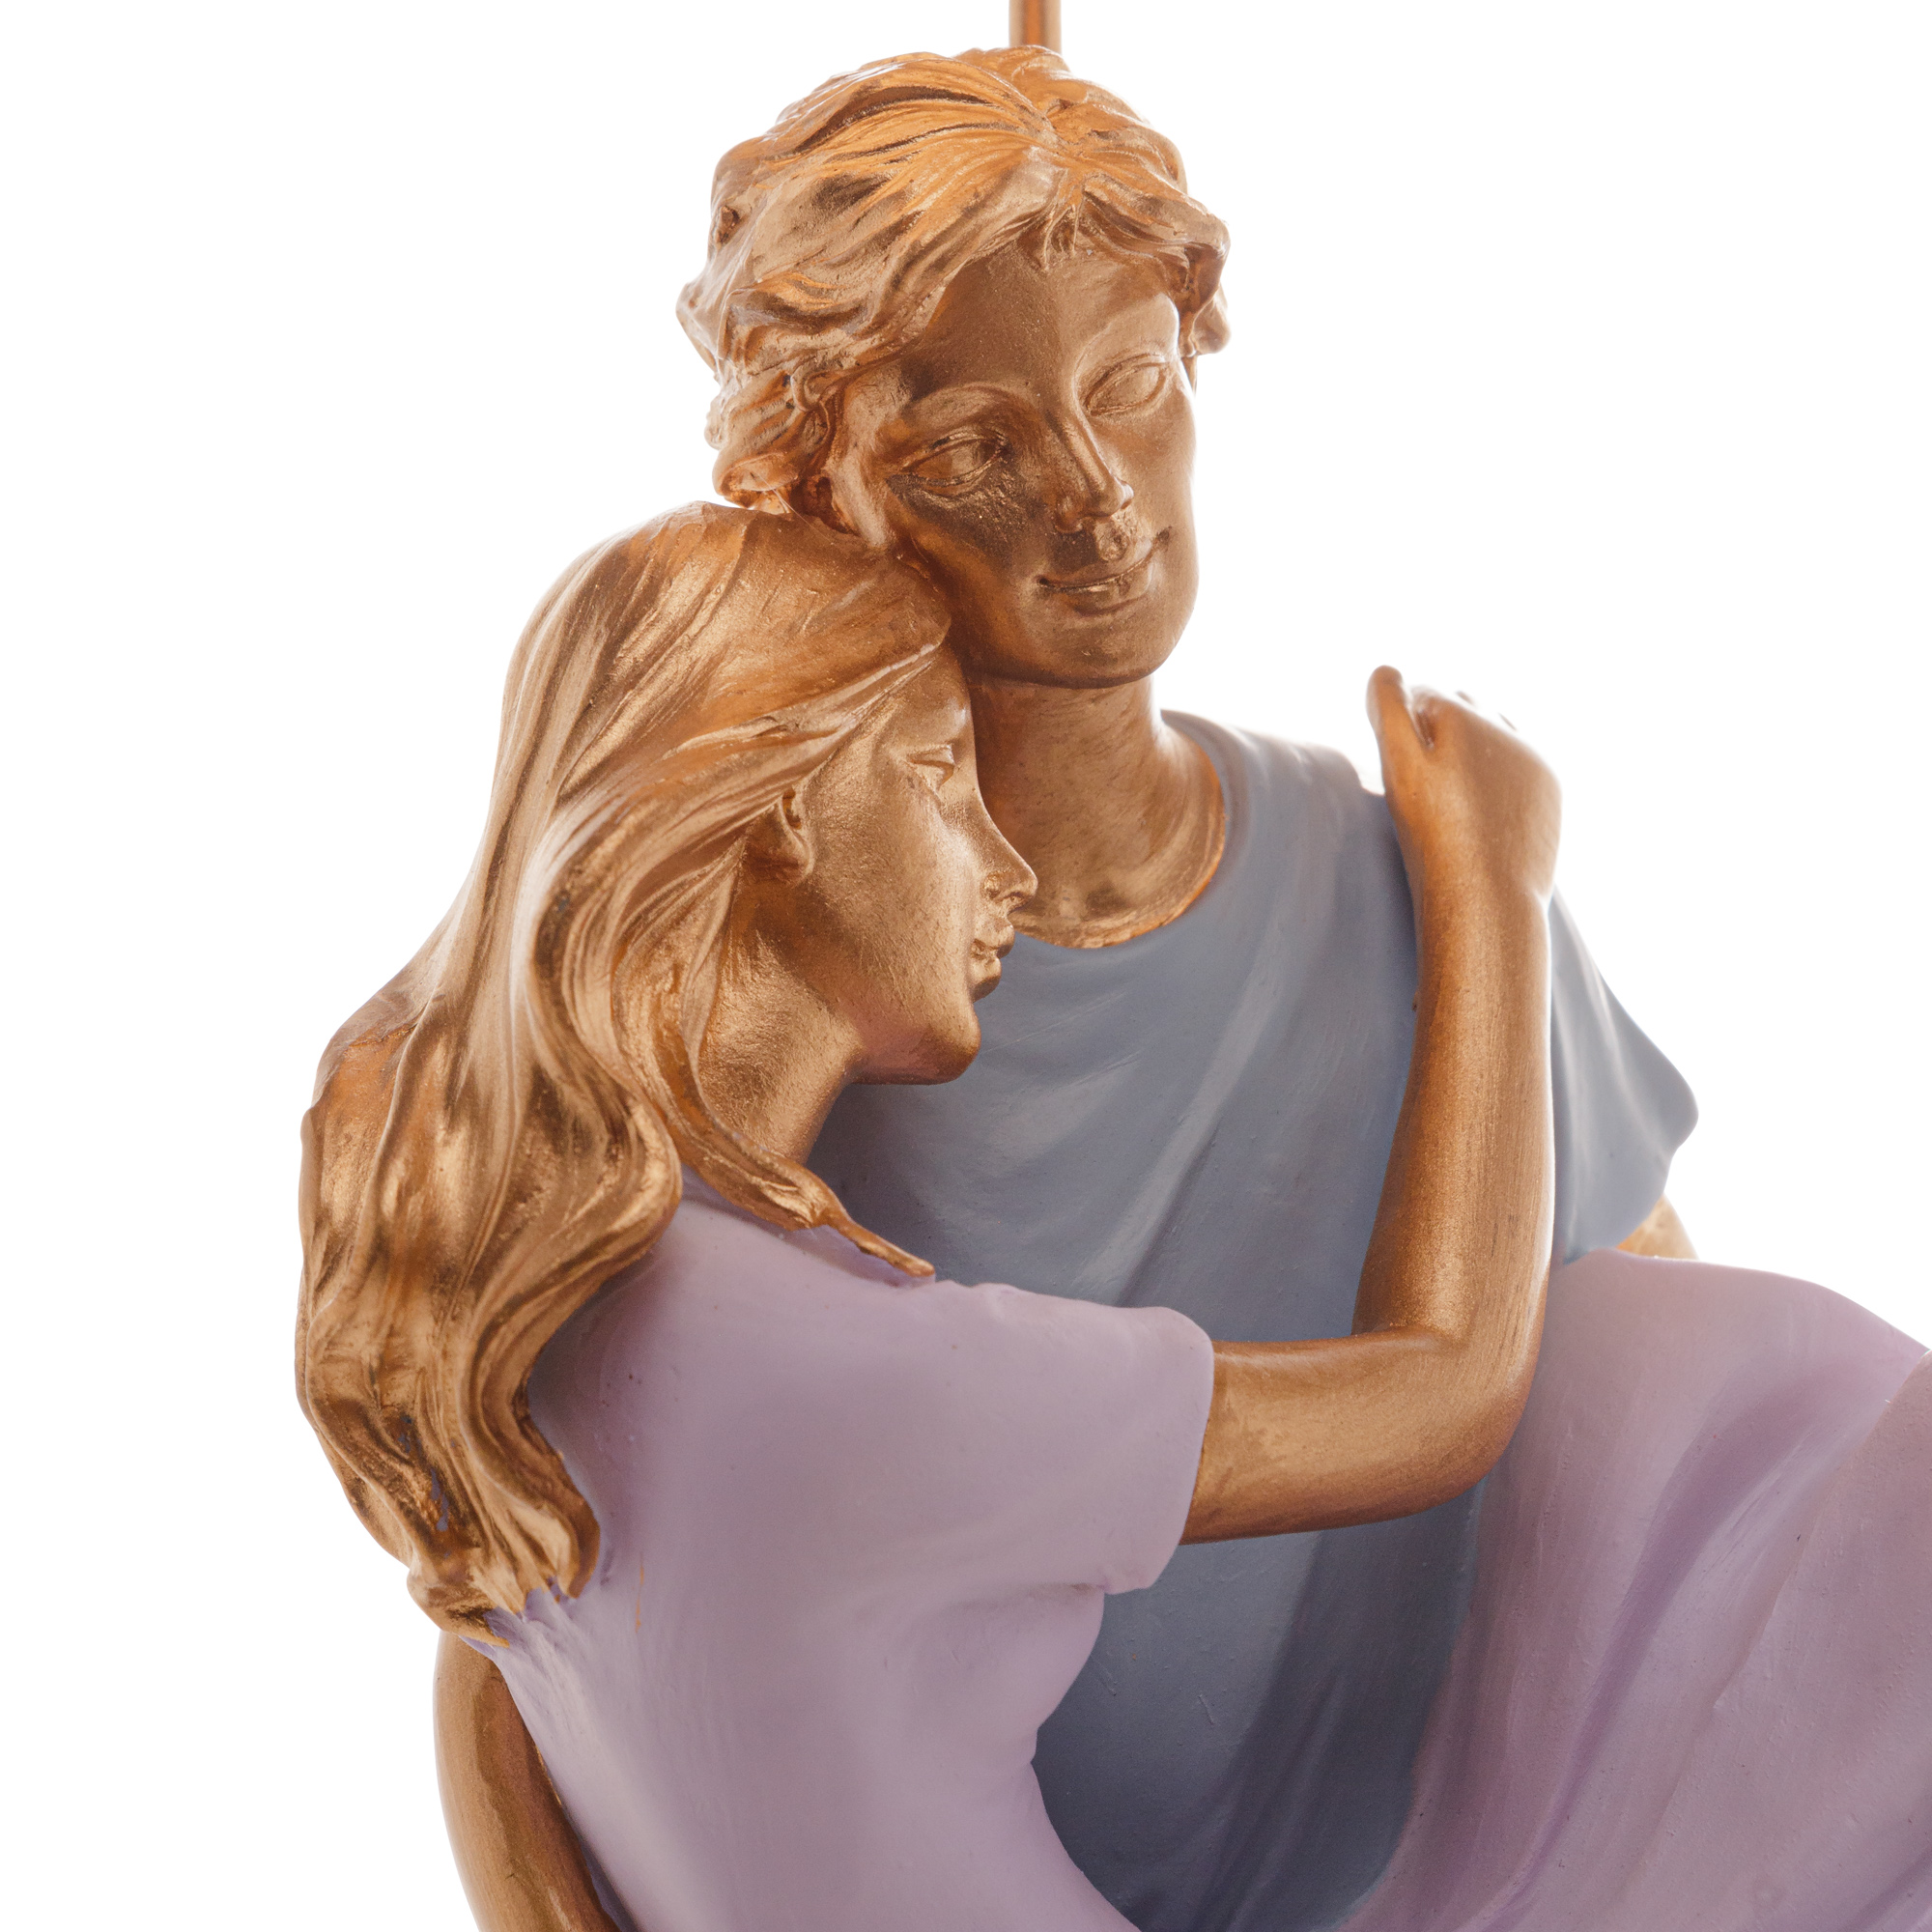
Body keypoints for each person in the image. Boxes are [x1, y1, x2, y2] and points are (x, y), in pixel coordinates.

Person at [439, 46, 1697, 1932]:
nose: (1094, 498)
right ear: (812, 485)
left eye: (1129, 385)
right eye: (973, 445)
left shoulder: (1397, 884)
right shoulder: (773, 981)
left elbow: (1669, 1422)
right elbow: (533, 1570)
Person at [298, 499, 1565, 1932]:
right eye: (941, 775)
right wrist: (1495, 888)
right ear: (784, 814)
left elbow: (502, 1699)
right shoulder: (820, 1370)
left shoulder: (532, 1302)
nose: (1003, 866)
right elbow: (1442, 1393)